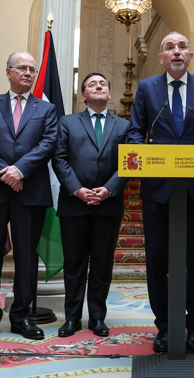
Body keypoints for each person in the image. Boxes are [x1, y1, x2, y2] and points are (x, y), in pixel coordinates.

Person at [127, 32, 194, 354]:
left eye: (182, 47)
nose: (177, 52)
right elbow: (136, 131)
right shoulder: (147, 88)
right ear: (161, 58)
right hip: (157, 188)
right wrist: (144, 155)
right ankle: (165, 327)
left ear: (190, 55)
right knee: (157, 260)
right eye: (170, 47)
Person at [0, 52, 57, 341]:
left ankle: (21, 316)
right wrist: (5, 173)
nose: (28, 73)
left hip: (30, 192)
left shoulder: (47, 109)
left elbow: (48, 144)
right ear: (8, 72)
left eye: (32, 69)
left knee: (26, 257)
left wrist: (20, 171)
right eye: (22, 68)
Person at [52, 72, 129, 338]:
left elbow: (129, 161)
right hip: (74, 204)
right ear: (83, 95)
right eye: (92, 84)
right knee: (74, 265)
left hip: (108, 205)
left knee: (101, 265)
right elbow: (59, 159)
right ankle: (72, 318)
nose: (99, 86)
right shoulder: (67, 122)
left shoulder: (124, 126)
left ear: (109, 94)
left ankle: (97, 318)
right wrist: (77, 190)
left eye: (103, 84)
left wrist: (109, 189)